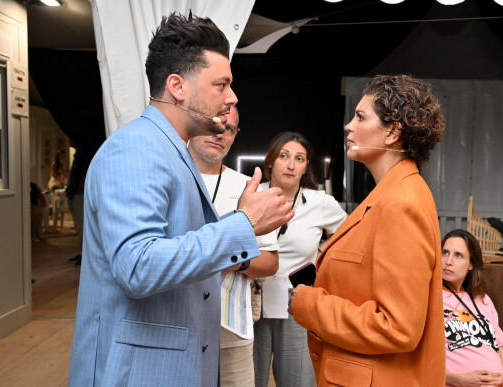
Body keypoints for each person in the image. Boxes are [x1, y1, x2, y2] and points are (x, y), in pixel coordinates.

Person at [68, 13, 294, 387]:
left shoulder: (170, 151)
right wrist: (244, 224)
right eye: (221, 85)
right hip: (138, 372)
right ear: (177, 86)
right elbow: (138, 266)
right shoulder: (137, 148)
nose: (232, 97)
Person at [288, 74, 446, 386]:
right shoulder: (388, 195)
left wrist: (309, 304)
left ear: (393, 132)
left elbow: (397, 326)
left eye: (361, 117)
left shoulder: (401, 204)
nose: (349, 125)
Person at [188, 106, 279, 386]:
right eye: (213, 124)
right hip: (177, 329)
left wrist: (233, 260)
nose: (220, 134)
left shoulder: (247, 188)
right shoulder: (167, 178)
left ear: (235, 135)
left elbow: (271, 262)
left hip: (232, 331)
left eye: (228, 129)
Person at [253, 131, 347, 387]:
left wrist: (321, 253)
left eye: (299, 158)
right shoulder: (250, 195)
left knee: (298, 381)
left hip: (296, 305)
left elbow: (351, 235)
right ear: (271, 160)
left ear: (306, 166)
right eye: (284, 156)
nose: (291, 165)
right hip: (252, 303)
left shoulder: (319, 202)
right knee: (248, 380)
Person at [442, 229, 503, 387]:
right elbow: (416, 363)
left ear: (471, 264)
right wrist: (459, 380)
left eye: (458, 255)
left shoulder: (483, 300)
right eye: (445, 253)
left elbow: (501, 351)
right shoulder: (430, 298)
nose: (448, 261)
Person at [66, 140, 91, 265]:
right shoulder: (77, 156)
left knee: (82, 225)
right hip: (74, 194)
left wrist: (79, 191)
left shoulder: (82, 156)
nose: (68, 141)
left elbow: (84, 175)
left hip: (78, 195)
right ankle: (82, 253)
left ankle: (85, 256)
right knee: (78, 225)